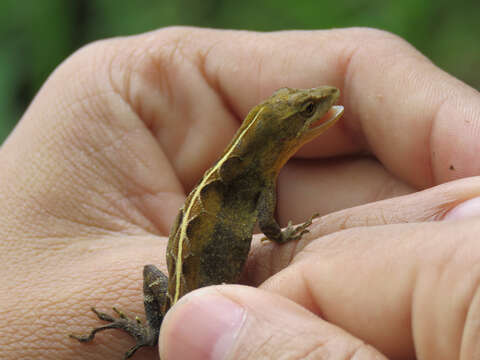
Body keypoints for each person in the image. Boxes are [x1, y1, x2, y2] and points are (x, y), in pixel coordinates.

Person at [0, 27, 479, 360]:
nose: (323, 101)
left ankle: (151, 332)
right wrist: (287, 233)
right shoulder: (255, 179)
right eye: (308, 108)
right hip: (210, 305)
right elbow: (271, 232)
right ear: (282, 132)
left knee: (155, 277)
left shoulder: (240, 173)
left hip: (183, 302)